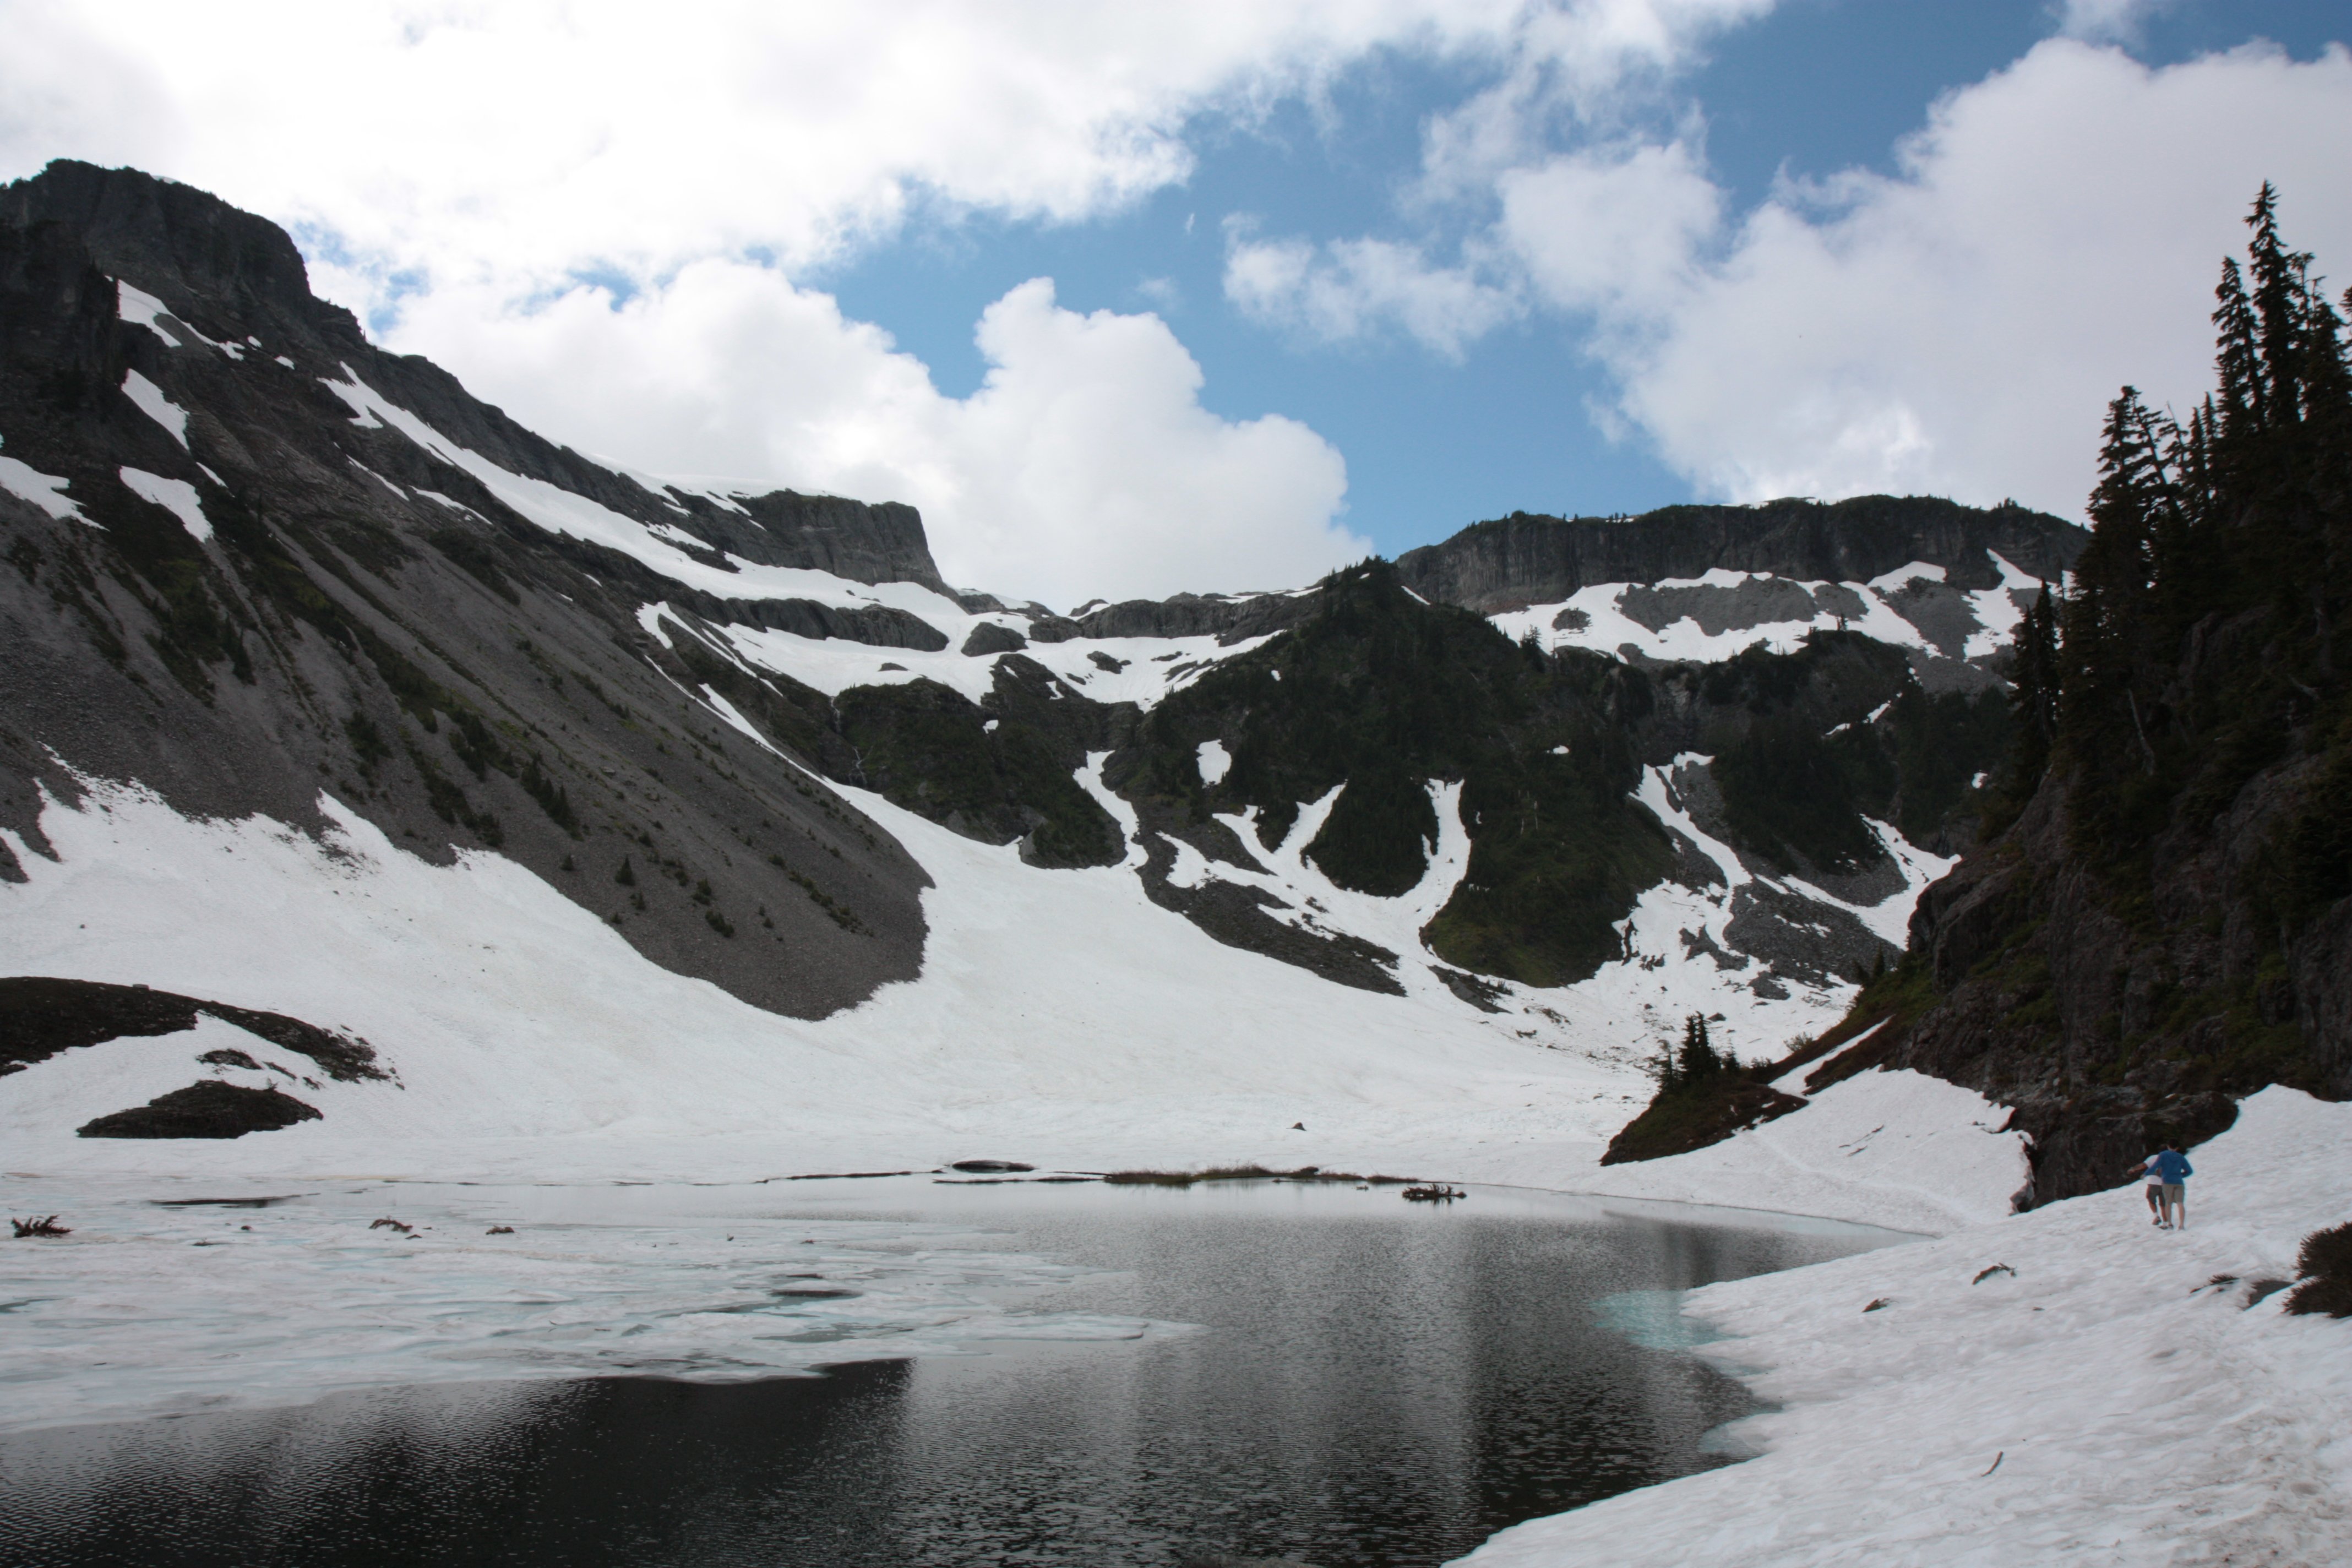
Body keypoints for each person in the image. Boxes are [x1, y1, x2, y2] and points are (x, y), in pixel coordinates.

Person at [2144, 1144, 2193, 1230]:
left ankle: (2169, 1224)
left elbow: (2155, 1166)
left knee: (2168, 1203)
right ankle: (2181, 1225)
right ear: (2177, 1147)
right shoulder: (2180, 1157)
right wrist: (2181, 1176)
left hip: (2167, 1182)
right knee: (2180, 1203)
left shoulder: (2163, 1156)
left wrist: (2146, 1173)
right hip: (2179, 1182)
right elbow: (2189, 1171)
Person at [2128, 1153, 2166, 1226]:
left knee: (2151, 1200)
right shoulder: (2170, 1159)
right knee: (2163, 1204)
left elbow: (2143, 1166)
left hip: (2154, 1183)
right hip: (2166, 1184)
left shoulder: (2154, 1157)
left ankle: (2156, 1216)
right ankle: (2165, 1222)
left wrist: (2134, 1169)